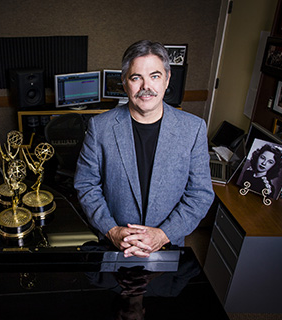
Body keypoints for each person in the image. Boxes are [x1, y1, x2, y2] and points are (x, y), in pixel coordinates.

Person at [74, 40, 214, 258]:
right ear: (124, 82)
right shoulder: (100, 127)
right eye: (136, 77)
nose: (145, 86)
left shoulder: (193, 129)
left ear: (167, 80)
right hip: (114, 244)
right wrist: (112, 231)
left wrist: (163, 234)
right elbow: (86, 185)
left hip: (167, 245)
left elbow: (200, 194)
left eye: (155, 76)